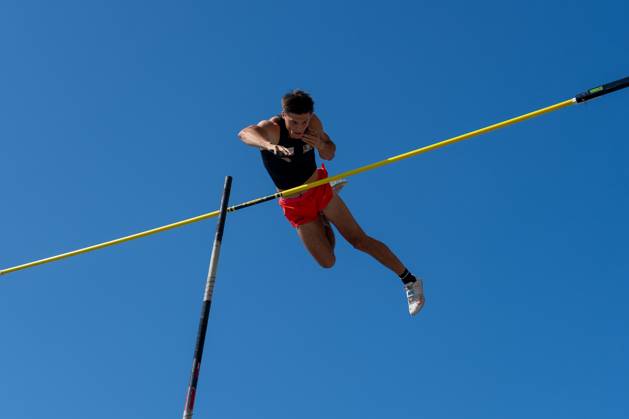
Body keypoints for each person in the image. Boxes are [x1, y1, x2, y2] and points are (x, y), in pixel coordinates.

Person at [237, 90, 425, 316]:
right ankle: (323, 218)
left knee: (358, 240)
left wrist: (319, 143)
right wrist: (268, 146)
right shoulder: (273, 129)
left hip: (318, 189)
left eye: (304, 121)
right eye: (294, 122)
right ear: (284, 115)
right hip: (294, 205)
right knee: (327, 261)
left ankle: (410, 281)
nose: (299, 128)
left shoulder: (313, 125)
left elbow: (330, 153)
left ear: (310, 116)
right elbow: (245, 133)